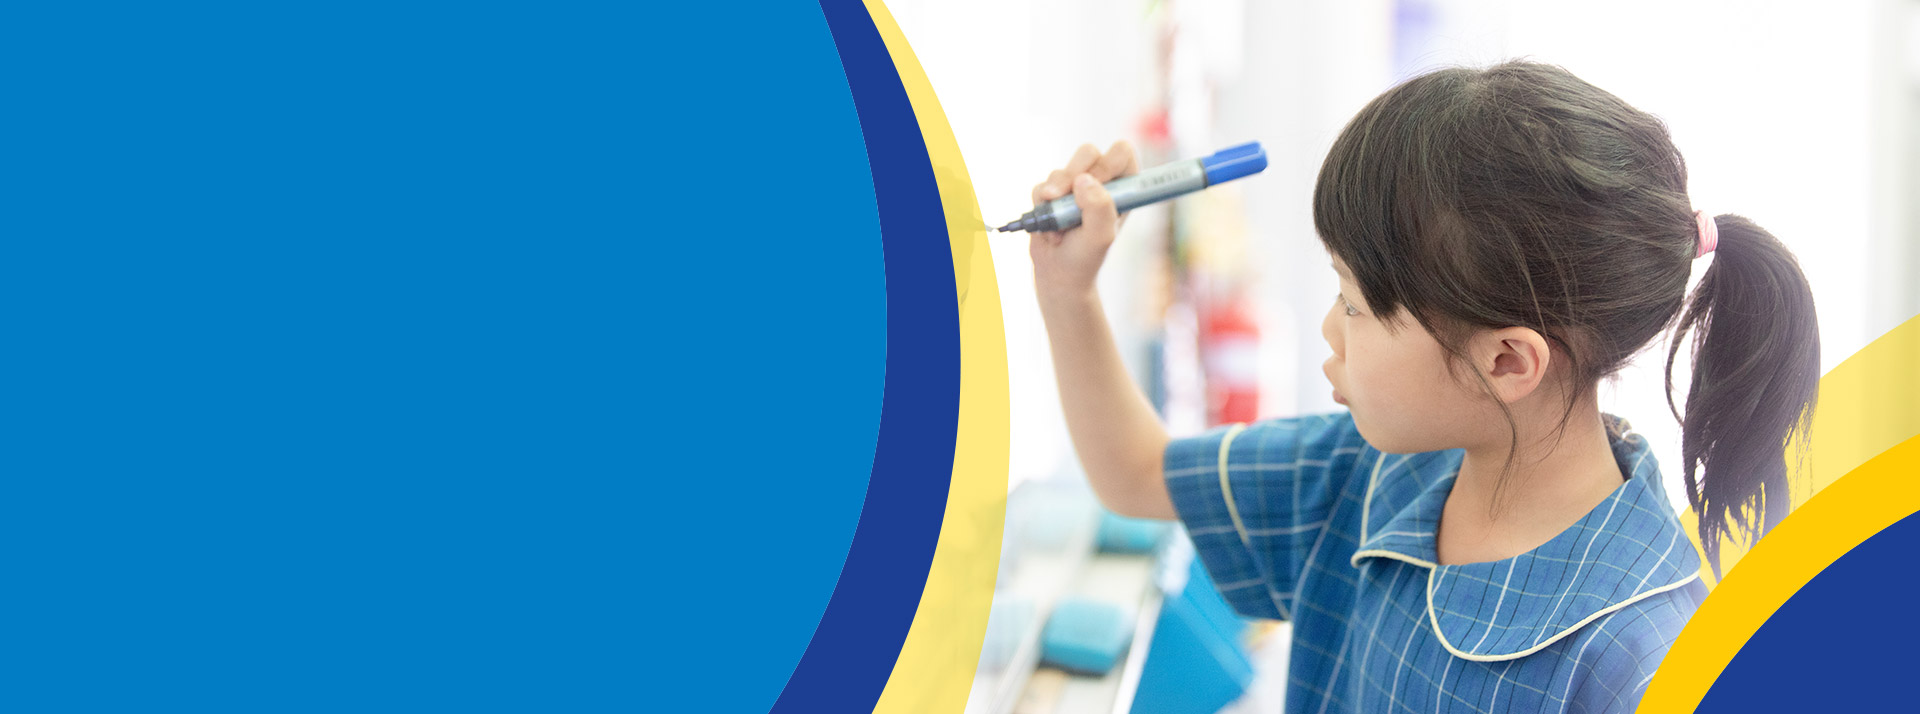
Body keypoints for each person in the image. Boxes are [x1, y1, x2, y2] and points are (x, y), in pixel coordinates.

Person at [1029, 60, 1819, 713]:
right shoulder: (1375, 470)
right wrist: (1070, 291)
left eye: (1355, 303)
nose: (1331, 331)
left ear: (1508, 362)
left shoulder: (1640, 656)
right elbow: (1136, 474)